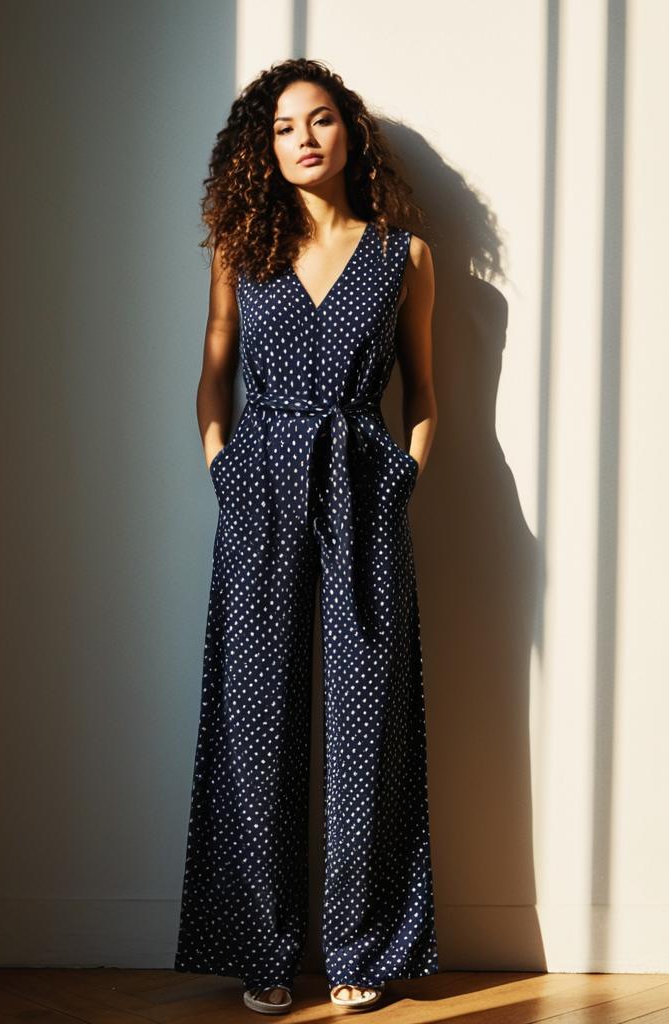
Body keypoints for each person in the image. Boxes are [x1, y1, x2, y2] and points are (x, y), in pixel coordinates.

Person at [174, 57, 440, 1015]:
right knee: (256, 721)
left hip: (364, 487)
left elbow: (425, 388)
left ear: (349, 134)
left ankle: (362, 948)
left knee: (369, 724)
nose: (304, 140)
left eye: (320, 121)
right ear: (263, 145)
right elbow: (212, 370)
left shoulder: (401, 255)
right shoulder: (241, 249)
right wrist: (220, 462)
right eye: (284, 127)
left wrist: (404, 469)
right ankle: (264, 948)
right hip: (259, 491)